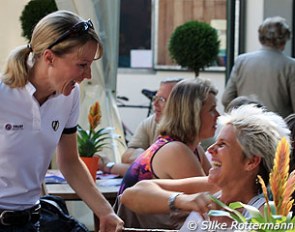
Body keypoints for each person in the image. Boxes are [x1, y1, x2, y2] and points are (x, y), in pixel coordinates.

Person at [0, 10, 123, 232]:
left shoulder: (69, 96)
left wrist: (105, 212)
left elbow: (69, 161)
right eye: (82, 64)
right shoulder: (3, 95)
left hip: (31, 221)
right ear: (49, 57)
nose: (88, 75)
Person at [120, 105, 290, 230]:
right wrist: (182, 200)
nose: (210, 149)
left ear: (251, 162)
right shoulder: (214, 190)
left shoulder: (264, 213)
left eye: (222, 144)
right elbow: (132, 194)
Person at [115, 78, 220, 229]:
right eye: (212, 109)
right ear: (193, 114)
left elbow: (216, 186)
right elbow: (212, 201)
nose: (218, 115)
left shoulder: (192, 148)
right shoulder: (176, 151)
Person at [99, 78, 182, 176]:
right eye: (155, 98)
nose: (154, 104)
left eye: (162, 100)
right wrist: (143, 159)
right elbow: (127, 156)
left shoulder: (191, 133)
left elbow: (154, 175)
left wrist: (109, 166)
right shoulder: (150, 122)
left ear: (179, 104)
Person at [222, 16, 295, 118]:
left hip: (247, 126)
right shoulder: (291, 65)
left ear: (261, 38)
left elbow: (226, 98)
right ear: (284, 40)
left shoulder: (241, 61)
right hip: (277, 129)